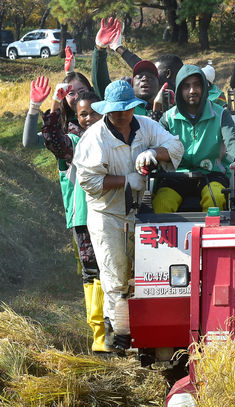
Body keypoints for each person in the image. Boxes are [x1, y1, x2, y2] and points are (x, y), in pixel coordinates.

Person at [74, 80, 184, 352]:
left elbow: (175, 147)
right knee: (115, 277)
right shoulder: (94, 138)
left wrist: (152, 153)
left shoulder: (146, 126)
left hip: (140, 213)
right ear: (107, 110)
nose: (122, 115)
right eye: (116, 110)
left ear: (134, 107)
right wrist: (126, 180)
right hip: (106, 215)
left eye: (127, 109)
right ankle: (119, 340)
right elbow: (88, 181)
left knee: (146, 275)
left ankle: (146, 336)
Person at [23, 76, 110, 354]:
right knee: (92, 271)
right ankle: (101, 334)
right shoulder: (69, 137)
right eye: (69, 93)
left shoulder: (113, 133)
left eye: (78, 91)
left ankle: (118, 327)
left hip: (114, 212)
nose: (74, 97)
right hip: (83, 215)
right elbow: (44, 140)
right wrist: (45, 104)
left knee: (114, 269)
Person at [153, 65, 235, 213]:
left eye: (197, 85)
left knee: (216, 199)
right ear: (179, 90)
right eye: (186, 86)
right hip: (176, 176)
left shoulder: (221, 114)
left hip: (211, 175)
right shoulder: (168, 118)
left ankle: (212, 235)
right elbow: (155, 144)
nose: (192, 90)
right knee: (161, 203)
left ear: (205, 87)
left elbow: (232, 139)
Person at [94, 17, 183, 92]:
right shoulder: (134, 103)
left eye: (154, 73)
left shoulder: (181, 98)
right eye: (141, 76)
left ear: (168, 74)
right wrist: (112, 47)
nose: (145, 78)